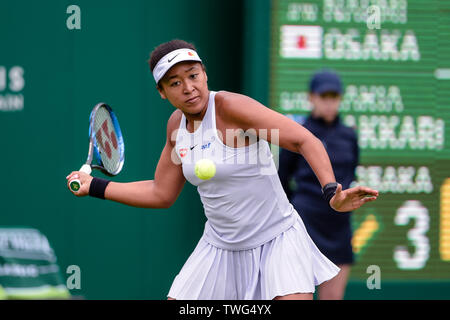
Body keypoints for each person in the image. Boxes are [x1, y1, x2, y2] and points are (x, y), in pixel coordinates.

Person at [66, 40, 378, 300]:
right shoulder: (176, 126)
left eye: (193, 76)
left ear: (204, 74)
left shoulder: (230, 106)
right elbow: (161, 192)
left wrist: (330, 191)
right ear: (162, 93)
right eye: (175, 83)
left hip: (277, 239)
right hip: (219, 246)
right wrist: (94, 186)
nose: (188, 88)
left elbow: (304, 140)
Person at [278, 70, 359, 300]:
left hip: (338, 224)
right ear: (311, 97)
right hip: (305, 223)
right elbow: (282, 177)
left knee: (333, 297)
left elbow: (350, 171)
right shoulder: (298, 133)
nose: (329, 103)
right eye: (324, 96)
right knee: (299, 295)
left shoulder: (349, 135)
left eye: (334, 97)